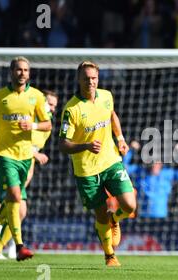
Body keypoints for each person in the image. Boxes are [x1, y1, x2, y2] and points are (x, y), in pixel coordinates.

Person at [58, 61, 136, 267]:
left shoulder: (107, 96)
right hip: (86, 171)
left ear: (98, 79)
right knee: (100, 214)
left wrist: (120, 138)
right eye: (86, 78)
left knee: (129, 205)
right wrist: (85, 146)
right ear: (79, 79)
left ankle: (115, 219)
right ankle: (109, 255)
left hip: (111, 161)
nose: (90, 81)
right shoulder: (71, 109)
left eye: (94, 78)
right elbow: (63, 144)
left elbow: (111, 116)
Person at [0, 56, 52, 261]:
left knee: (14, 200)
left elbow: (47, 124)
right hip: (4, 154)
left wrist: (33, 126)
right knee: (15, 196)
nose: (23, 73)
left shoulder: (37, 97)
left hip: (25, 155)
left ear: (29, 74)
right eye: (19, 70)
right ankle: (20, 246)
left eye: (26, 70)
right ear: (11, 72)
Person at [123, 140, 178, 218]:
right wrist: (131, 151)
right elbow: (123, 169)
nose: (154, 165)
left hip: (161, 218)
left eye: (157, 163)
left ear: (161, 164)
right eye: (152, 163)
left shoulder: (167, 174)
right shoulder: (140, 172)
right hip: (142, 217)